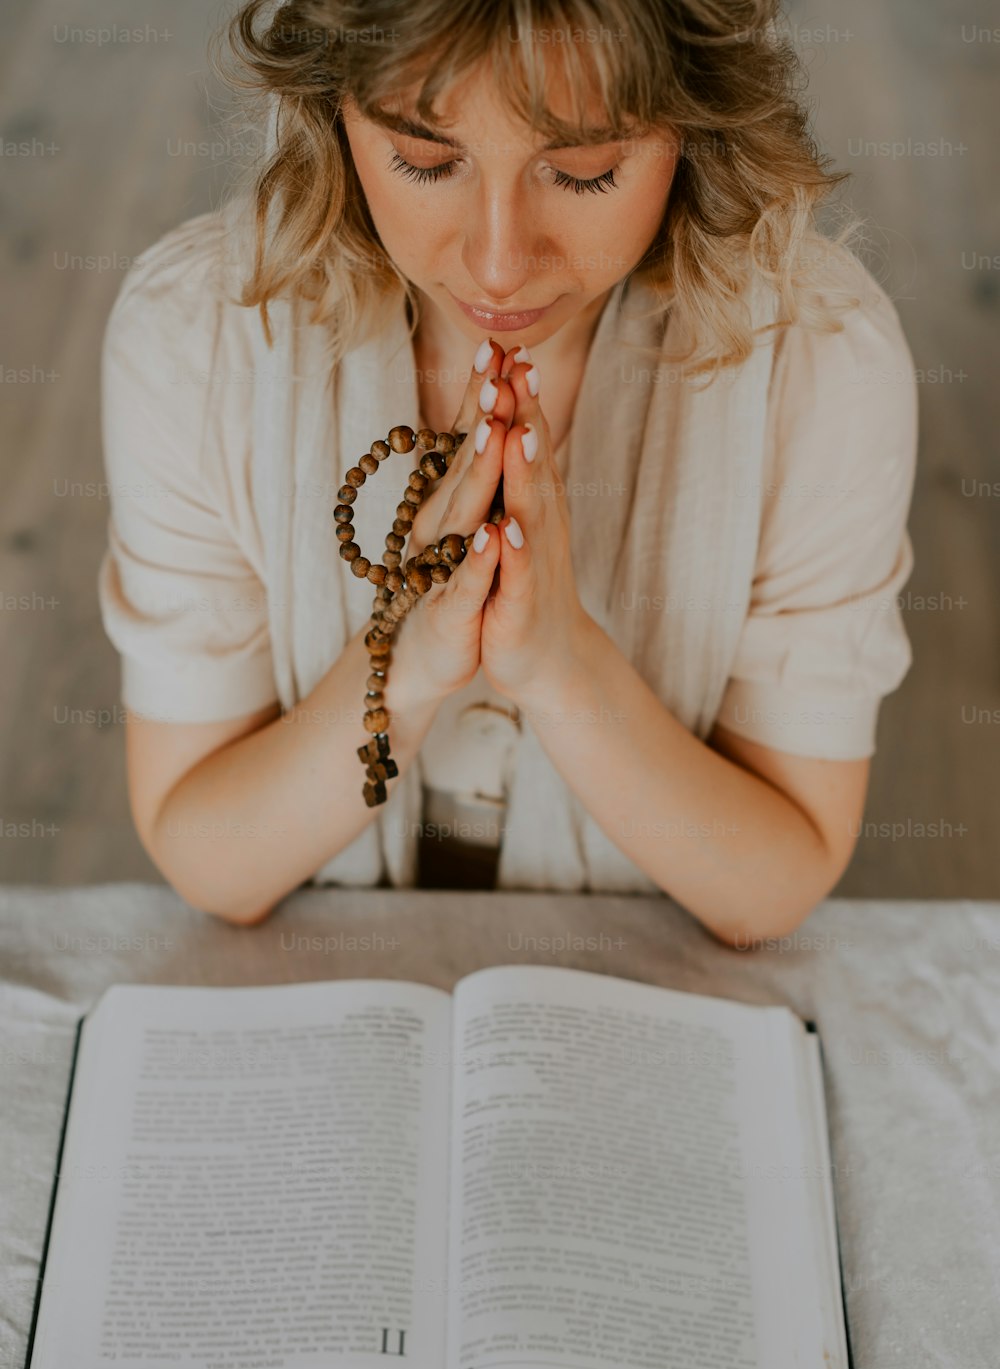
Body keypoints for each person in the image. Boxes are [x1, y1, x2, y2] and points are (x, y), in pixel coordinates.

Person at [98, 0, 918, 943]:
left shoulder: (819, 363)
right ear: (333, 109)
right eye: (426, 161)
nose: (497, 266)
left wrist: (566, 669)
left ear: (696, 121)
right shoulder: (197, 341)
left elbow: (776, 881)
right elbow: (208, 859)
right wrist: (399, 674)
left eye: (583, 172)